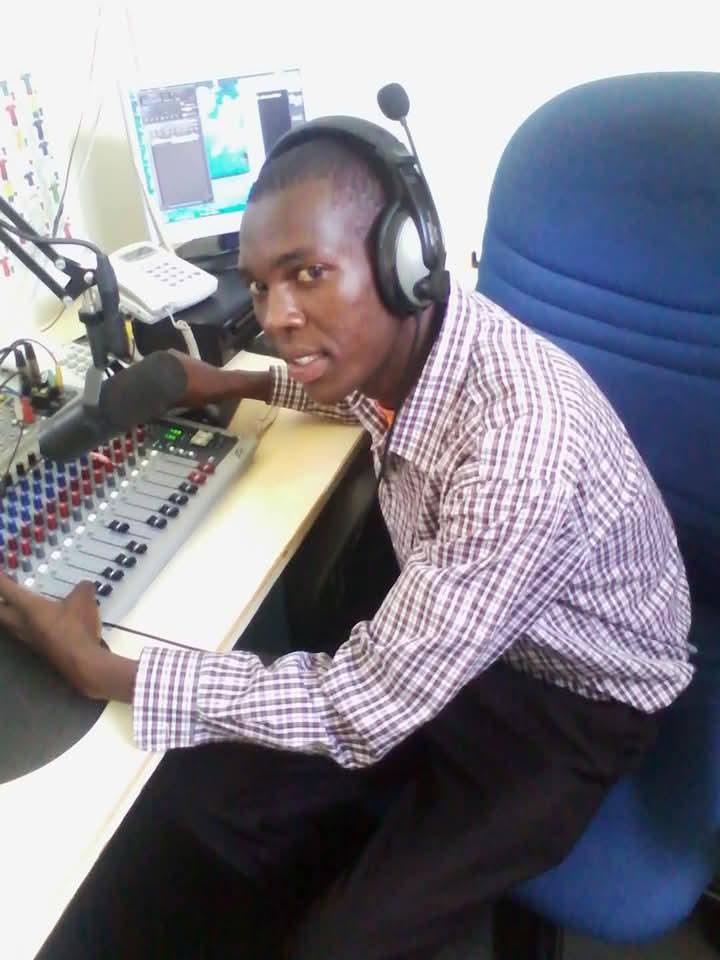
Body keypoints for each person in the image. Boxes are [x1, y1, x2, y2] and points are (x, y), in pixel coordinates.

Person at [2, 118, 693, 960]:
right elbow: (351, 388)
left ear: (404, 262)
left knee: (340, 946)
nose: (277, 317)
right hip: (456, 633)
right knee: (212, 803)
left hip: (567, 706)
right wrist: (231, 381)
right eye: (260, 287)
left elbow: (359, 706)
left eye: (309, 274)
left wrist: (100, 667)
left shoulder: (519, 451)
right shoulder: (415, 344)